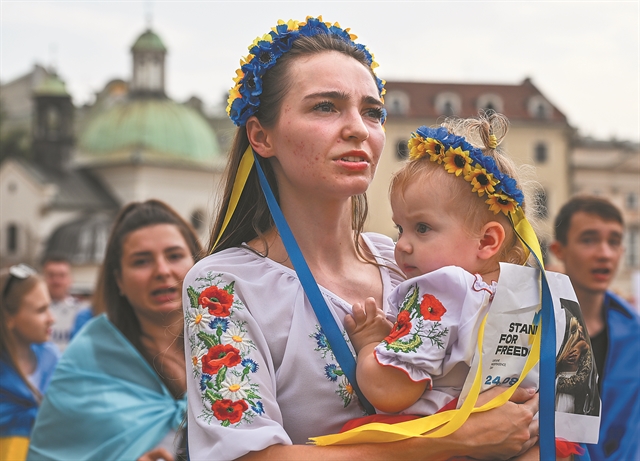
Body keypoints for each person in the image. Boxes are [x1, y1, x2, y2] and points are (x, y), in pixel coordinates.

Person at [183, 17, 539, 461]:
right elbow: (245, 457)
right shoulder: (223, 284)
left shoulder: (410, 259)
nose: (358, 128)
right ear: (261, 135)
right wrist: (451, 439)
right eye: (325, 107)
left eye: (373, 112)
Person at [27, 200, 202, 461]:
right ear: (118, 279)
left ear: (198, 262)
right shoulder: (88, 359)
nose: (162, 271)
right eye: (141, 261)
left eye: (174, 256)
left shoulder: (233, 341)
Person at [550, 195, 640, 460]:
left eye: (614, 241)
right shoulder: (534, 328)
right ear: (559, 250)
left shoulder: (635, 335)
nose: (604, 253)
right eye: (588, 239)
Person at [0, 264, 58, 461]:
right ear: (9, 318)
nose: (52, 318)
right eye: (41, 310)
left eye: (50, 306)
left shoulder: (53, 359)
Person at [42, 256, 85, 351]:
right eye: (51, 275)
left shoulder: (82, 311)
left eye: (62, 275)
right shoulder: (30, 311)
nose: (56, 281)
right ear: (43, 278)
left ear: (71, 279)